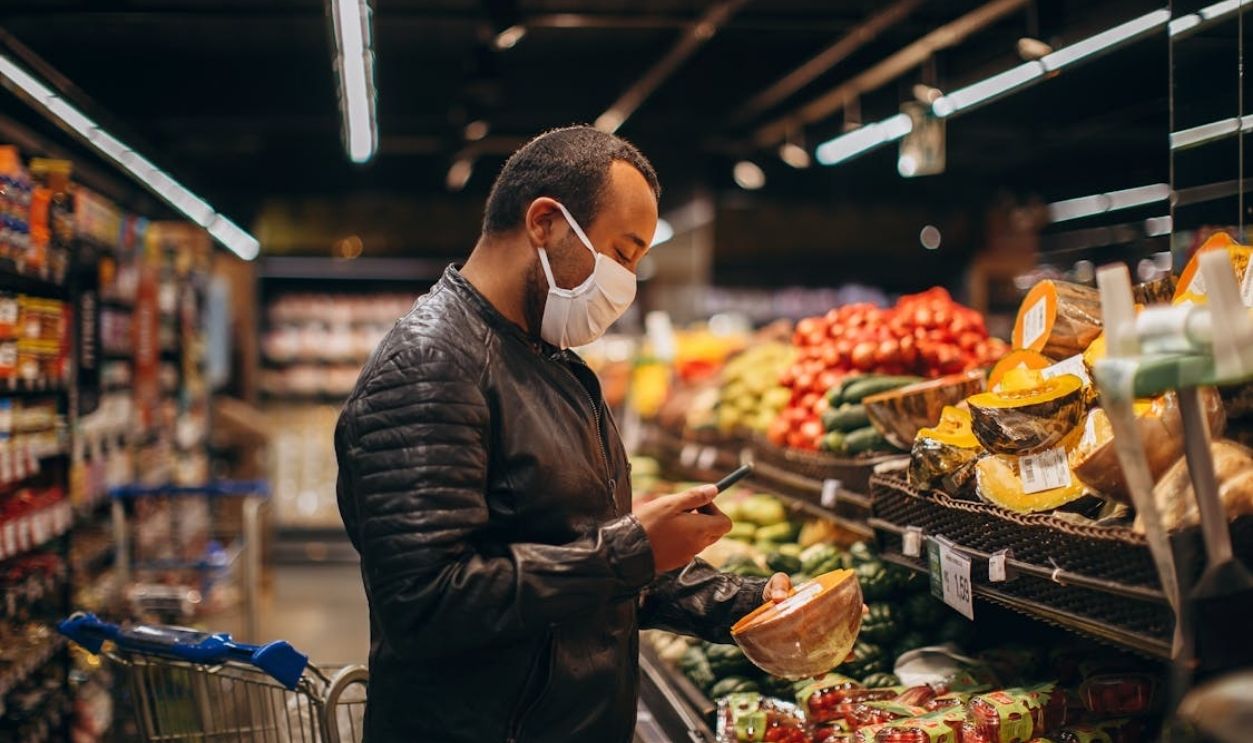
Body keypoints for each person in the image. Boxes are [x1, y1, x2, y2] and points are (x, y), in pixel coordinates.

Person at [335, 125, 791, 742]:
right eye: (622, 253)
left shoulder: (556, 365)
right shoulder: (429, 366)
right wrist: (630, 550)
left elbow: (579, 554)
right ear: (545, 222)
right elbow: (427, 603)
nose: (627, 283)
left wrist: (746, 601)